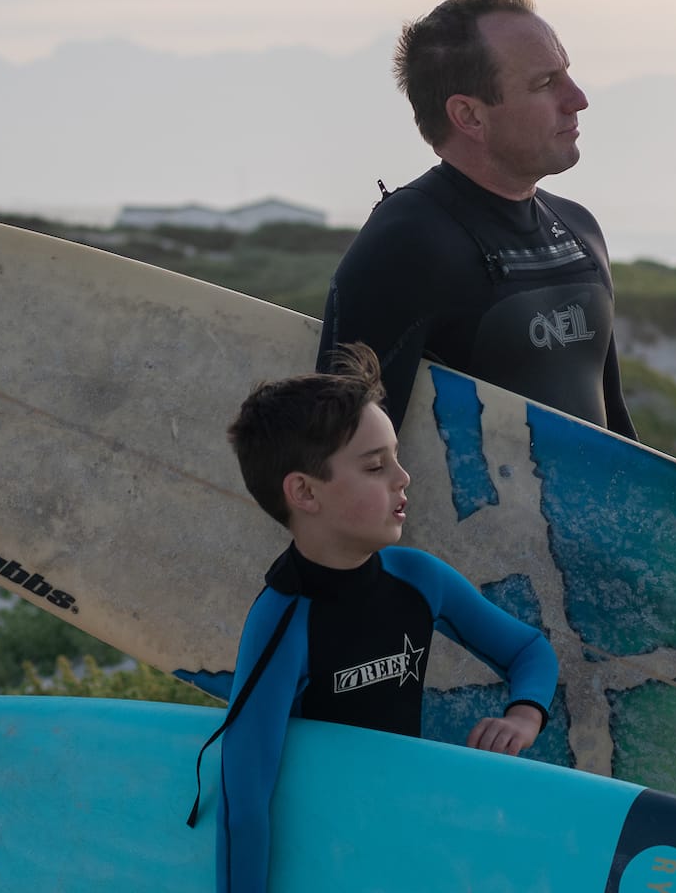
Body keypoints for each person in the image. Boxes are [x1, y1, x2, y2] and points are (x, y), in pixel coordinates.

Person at [200, 344, 558, 893]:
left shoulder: (416, 578)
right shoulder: (283, 624)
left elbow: (528, 650)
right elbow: (244, 801)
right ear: (304, 492)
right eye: (375, 465)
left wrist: (524, 715)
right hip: (324, 854)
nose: (403, 477)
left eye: (394, 457)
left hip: (400, 836)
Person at [316, 0, 636, 438]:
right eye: (546, 83)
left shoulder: (580, 232)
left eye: (567, 73)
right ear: (469, 117)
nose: (578, 98)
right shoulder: (406, 243)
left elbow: (617, 432)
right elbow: (338, 451)